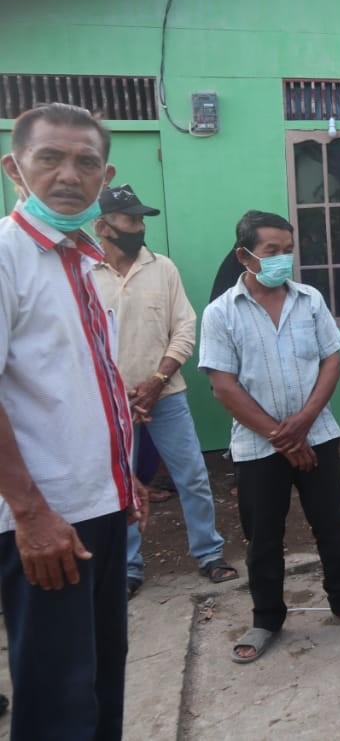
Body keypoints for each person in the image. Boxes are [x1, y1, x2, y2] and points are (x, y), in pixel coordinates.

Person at [0, 102, 146, 738]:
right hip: (46, 519)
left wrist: (124, 478)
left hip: (98, 507)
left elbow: (87, 388)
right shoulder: (7, 256)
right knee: (58, 698)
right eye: (49, 158)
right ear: (15, 169)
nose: (68, 175)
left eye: (86, 162)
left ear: (104, 176)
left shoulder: (81, 259)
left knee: (99, 678)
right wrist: (31, 515)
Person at [200, 210, 340, 663]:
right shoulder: (221, 312)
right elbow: (223, 385)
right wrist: (281, 436)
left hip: (317, 433)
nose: (283, 259)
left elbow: (331, 362)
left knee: (332, 524)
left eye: (288, 250)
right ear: (245, 256)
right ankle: (266, 618)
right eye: (272, 251)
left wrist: (304, 421)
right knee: (263, 536)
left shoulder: (310, 300)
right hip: (257, 446)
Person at [92, 185, 237, 598]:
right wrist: (118, 391)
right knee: (120, 485)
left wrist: (157, 381)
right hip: (111, 403)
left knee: (192, 476)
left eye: (142, 220)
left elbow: (184, 329)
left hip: (166, 395)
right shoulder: (85, 272)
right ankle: (128, 567)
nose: (139, 227)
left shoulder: (163, 268)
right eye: (131, 219)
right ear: (102, 226)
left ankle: (209, 554)